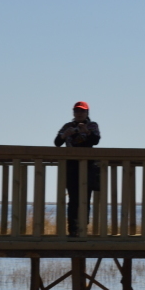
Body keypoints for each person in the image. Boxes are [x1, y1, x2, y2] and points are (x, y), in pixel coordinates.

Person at [54, 101, 100, 236]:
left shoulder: (92, 125)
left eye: (82, 111)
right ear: (73, 113)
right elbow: (57, 143)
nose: (79, 114)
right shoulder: (67, 126)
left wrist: (87, 132)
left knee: (85, 199)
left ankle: (83, 228)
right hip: (71, 167)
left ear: (87, 113)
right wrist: (64, 135)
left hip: (88, 166)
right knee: (73, 200)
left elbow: (95, 141)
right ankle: (73, 230)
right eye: (77, 111)